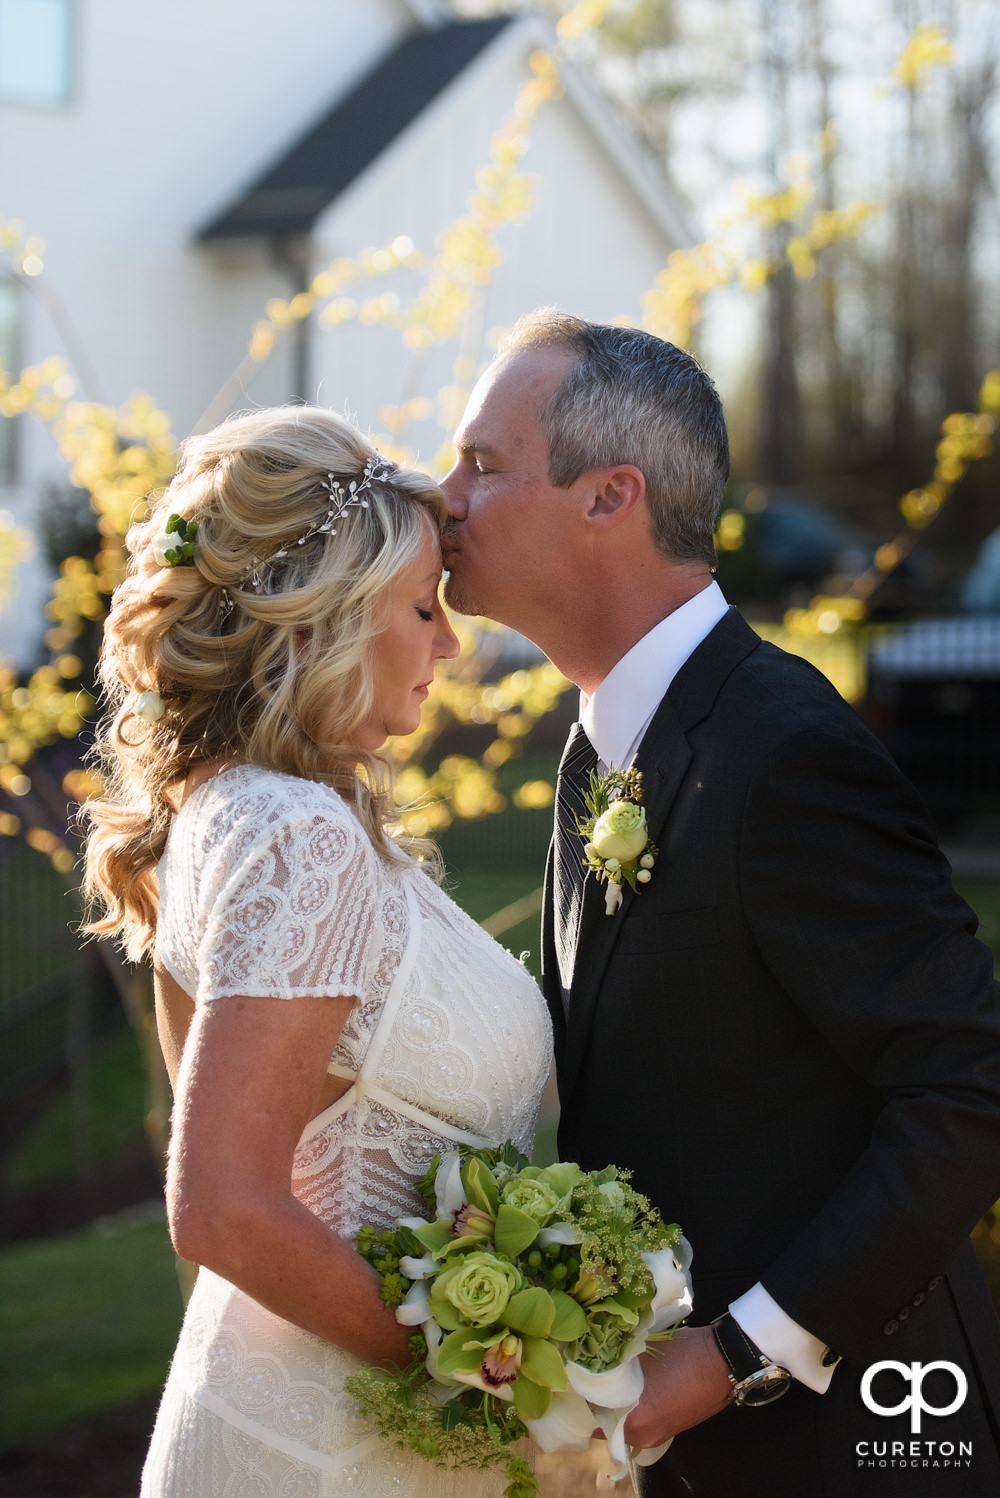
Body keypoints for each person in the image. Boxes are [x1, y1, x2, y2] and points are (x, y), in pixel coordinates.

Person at [440, 309, 1000, 1496]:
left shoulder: (781, 748)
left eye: (483, 465)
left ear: (610, 497)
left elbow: (967, 1087)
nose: (445, 497)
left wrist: (737, 1356)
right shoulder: (598, 749)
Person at [82, 406, 553, 1497]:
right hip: (337, 1453)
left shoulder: (228, 806)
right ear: (319, 624)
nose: (447, 642)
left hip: (280, 1421)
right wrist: (498, 1368)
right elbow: (225, 1208)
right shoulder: (294, 835)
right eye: (421, 606)